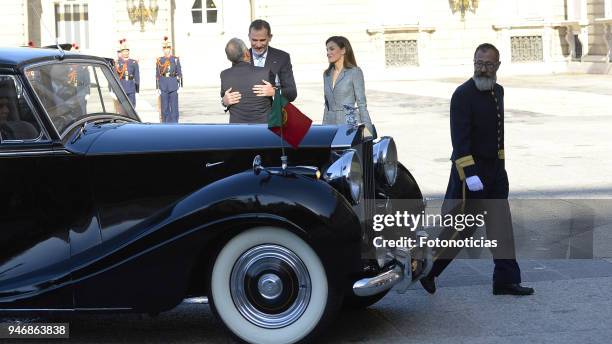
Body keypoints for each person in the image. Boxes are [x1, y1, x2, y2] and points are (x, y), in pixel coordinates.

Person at [419, 43, 534, 296]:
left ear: (498, 66)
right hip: (470, 174)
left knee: (501, 225)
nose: (482, 69)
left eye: (488, 65)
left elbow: (498, 135)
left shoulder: (498, 91)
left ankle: (505, 280)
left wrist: (500, 168)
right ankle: (428, 270)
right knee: (462, 227)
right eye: (478, 64)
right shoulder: (463, 94)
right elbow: (459, 139)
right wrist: (470, 174)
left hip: (494, 172)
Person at [222, 19, 296, 108]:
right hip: (246, 116)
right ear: (249, 37)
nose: (258, 45)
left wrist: (274, 92)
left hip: (273, 117)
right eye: (254, 40)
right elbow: (229, 92)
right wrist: (224, 101)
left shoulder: (282, 57)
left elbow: (292, 93)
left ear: (270, 37)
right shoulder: (239, 57)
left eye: (262, 40)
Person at [322, 36, 372, 131]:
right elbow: (327, 106)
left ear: (343, 50)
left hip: (350, 125)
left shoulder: (355, 72)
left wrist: (368, 130)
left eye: (332, 49)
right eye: (327, 50)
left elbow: (362, 104)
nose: (328, 53)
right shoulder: (326, 75)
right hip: (330, 126)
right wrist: (323, 128)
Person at [220, 38, 274, 124]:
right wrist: (275, 92)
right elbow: (289, 94)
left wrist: (223, 102)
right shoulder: (265, 72)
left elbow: (225, 99)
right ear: (247, 53)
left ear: (229, 58)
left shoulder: (224, 75)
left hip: (238, 131)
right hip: (264, 130)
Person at [156, 36, 182, 123]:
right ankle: (165, 125)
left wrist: (180, 86)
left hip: (173, 85)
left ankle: (175, 124)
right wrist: (157, 88)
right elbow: (157, 75)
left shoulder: (175, 59)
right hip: (163, 85)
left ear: (170, 49)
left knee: (174, 108)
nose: (166, 50)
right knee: (164, 108)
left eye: (168, 48)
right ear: (163, 50)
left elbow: (179, 73)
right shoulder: (160, 60)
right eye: (165, 48)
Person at [115, 39, 140, 107]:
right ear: (121, 52)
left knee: (132, 106)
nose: (125, 53)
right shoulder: (117, 63)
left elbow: (137, 76)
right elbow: (115, 77)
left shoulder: (133, 62)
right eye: (124, 51)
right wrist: (114, 90)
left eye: (127, 51)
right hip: (122, 87)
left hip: (131, 87)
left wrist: (137, 90)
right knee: (123, 107)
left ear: (129, 52)